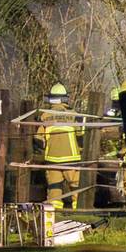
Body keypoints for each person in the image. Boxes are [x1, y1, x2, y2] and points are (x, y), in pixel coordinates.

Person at [32, 82, 85, 211]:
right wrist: (81, 152)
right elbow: (82, 136)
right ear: (65, 98)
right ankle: (78, 212)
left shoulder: (44, 116)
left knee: (54, 188)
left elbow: (38, 139)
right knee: (76, 187)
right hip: (72, 159)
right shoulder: (74, 115)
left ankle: (53, 215)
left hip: (52, 159)